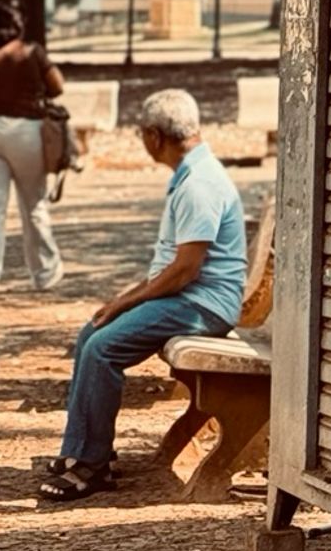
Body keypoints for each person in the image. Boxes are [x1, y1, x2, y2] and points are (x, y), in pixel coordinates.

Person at [37, 88, 246, 502]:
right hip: (189, 297)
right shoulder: (192, 174)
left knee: (103, 349)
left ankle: (91, 467)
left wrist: (128, 301)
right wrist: (122, 301)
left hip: (203, 304)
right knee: (91, 333)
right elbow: (173, 267)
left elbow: (186, 269)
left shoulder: (199, 184)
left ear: (153, 136)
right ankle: (81, 449)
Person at [0, 0, 66, 300]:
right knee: (33, 204)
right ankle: (45, 273)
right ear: (17, 23)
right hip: (25, 130)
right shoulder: (32, 52)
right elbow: (58, 86)